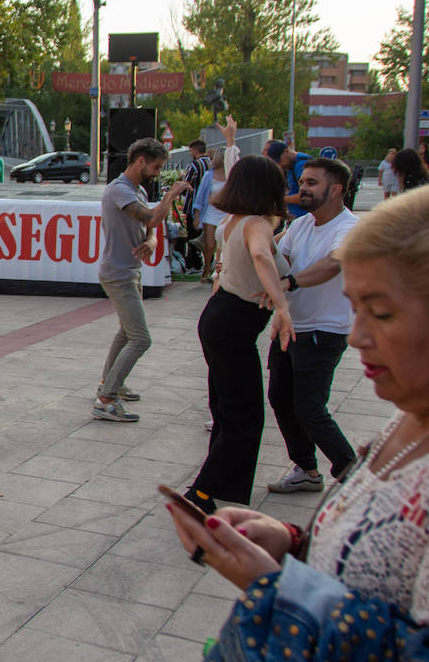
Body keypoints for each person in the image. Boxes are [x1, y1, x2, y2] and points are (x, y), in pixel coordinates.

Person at [165, 183, 429, 662]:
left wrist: (280, 592)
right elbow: (376, 574)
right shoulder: (408, 419)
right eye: (354, 309)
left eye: (380, 313)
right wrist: (293, 546)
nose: (357, 336)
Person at [184, 154, 294, 514]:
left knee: (228, 410)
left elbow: (253, 258)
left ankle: (225, 487)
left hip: (221, 318)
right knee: (244, 415)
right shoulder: (257, 224)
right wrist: (282, 306)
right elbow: (261, 257)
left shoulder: (236, 220)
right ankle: (200, 494)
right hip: (233, 323)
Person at [263, 158, 359, 495]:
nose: (302, 188)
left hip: (324, 330)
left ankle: (353, 474)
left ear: (335, 190)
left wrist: (288, 283)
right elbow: (276, 253)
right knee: (280, 398)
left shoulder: (349, 228)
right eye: (302, 181)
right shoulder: (303, 225)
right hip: (292, 326)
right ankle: (306, 469)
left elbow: (333, 265)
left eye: (311, 183)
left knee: (309, 408)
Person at [93, 138, 192, 423]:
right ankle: (106, 399)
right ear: (140, 162)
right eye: (157, 166)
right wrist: (170, 196)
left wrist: (149, 241)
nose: (158, 172)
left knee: (126, 333)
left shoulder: (133, 190)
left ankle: (108, 384)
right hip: (118, 274)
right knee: (141, 339)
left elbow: (149, 227)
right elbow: (151, 217)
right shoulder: (119, 190)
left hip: (129, 270)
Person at [191, 148, 229, 283]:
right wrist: (196, 216)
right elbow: (200, 197)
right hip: (211, 214)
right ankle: (206, 270)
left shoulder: (232, 175)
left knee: (225, 244)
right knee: (210, 245)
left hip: (227, 214)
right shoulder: (209, 175)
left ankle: (221, 271)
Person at [265, 139, 310, 220]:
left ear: (286, 151)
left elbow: (305, 196)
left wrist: (280, 198)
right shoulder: (292, 165)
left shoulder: (300, 165)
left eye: (280, 160)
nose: (280, 164)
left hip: (303, 217)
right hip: (298, 217)